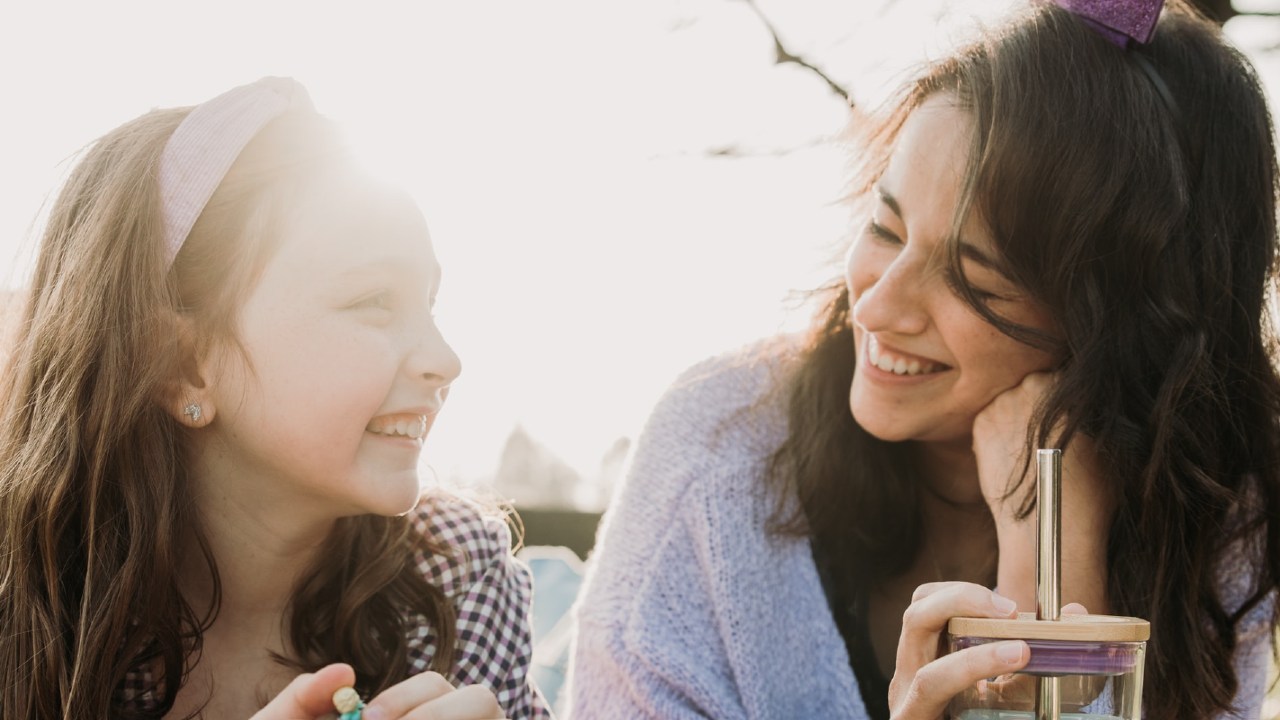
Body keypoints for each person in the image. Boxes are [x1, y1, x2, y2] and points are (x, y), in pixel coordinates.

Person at [567, 1, 1280, 718]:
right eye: (885, 226)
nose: (876, 308)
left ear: (1115, 332)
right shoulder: (718, 446)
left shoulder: (1215, 526)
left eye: (970, 280)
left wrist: (1054, 562)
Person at [0, 77, 548, 719]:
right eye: (374, 301)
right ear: (182, 366)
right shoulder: (24, 610)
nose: (445, 361)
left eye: (428, 304)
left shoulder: (457, 582)